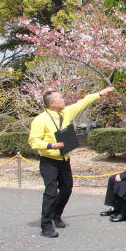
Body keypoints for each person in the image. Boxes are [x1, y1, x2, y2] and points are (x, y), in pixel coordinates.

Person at [29, 85, 114, 238]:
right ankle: (46, 225)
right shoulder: (40, 120)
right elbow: (33, 141)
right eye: (60, 98)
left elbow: (83, 103)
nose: (63, 100)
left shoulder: (66, 113)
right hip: (49, 160)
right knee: (50, 192)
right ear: (52, 103)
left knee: (67, 189)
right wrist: (50, 145)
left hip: (64, 159)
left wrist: (100, 93)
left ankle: (56, 214)